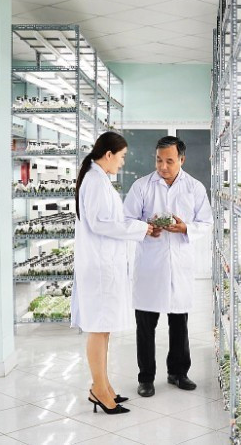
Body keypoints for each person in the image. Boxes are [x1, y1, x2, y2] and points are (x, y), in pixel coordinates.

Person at [124, 136, 214, 397]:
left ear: (181, 160)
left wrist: (185, 227)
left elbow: (206, 223)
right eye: (159, 160)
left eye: (169, 161)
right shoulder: (141, 187)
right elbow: (126, 219)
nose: (163, 166)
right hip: (150, 265)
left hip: (179, 265)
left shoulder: (195, 188)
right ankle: (146, 378)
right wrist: (145, 228)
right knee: (145, 326)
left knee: (179, 323)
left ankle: (178, 373)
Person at [72, 131, 154, 415]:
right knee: (98, 328)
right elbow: (101, 224)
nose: (121, 163)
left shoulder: (98, 178)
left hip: (104, 264)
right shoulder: (95, 181)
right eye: (120, 158)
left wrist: (139, 227)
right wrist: (140, 229)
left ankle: (104, 387)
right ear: (108, 155)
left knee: (103, 328)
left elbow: (110, 221)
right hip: (98, 267)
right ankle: (98, 390)